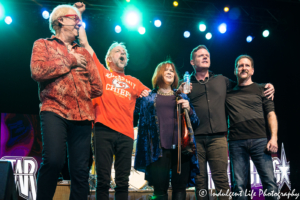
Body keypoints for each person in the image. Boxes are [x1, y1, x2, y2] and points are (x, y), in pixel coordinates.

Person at [74, 3, 150, 200]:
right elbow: (84, 43)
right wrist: (78, 14)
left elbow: (153, 97)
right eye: (117, 50)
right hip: (103, 130)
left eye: (124, 51)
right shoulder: (101, 72)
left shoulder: (133, 81)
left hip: (126, 133)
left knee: (123, 182)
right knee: (103, 180)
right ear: (109, 58)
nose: (122, 53)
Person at [30, 4, 103, 200]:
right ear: (60, 20)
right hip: (54, 109)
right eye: (75, 19)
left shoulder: (85, 53)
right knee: (53, 161)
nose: (79, 23)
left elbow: (98, 87)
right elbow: (37, 71)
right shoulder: (43, 44)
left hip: (83, 115)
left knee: (81, 171)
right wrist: (70, 61)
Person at [187, 45, 275, 200]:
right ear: (192, 62)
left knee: (223, 180)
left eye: (207, 55)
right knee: (202, 181)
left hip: (223, 139)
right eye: (201, 55)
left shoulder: (222, 80)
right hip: (200, 140)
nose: (205, 57)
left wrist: (269, 85)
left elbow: (267, 110)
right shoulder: (187, 85)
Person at [134, 61, 200, 200]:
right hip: (158, 151)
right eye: (166, 70)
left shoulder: (182, 96)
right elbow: (137, 120)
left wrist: (189, 109)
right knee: (159, 190)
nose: (170, 72)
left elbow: (195, 123)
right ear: (159, 74)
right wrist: (138, 96)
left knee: (180, 189)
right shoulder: (148, 98)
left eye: (172, 70)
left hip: (181, 150)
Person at [226, 55, 278, 200]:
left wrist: (273, 138)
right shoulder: (228, 92)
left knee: (270, 184)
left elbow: (271, 114)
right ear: (235, 70)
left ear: (252, 70)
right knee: (240, 188)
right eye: (240, 65)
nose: (244, 68)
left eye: (247, 65)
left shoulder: (263, 89)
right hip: (236, 142)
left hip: (260, 141)